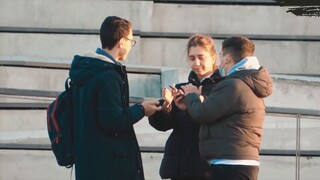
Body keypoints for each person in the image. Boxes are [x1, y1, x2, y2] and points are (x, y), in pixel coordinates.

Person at [69, 16, 161, 180]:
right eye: (131, 41)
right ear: (122, 41)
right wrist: (141, 109)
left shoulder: (86, 69)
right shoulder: (108, 75)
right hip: (108, 165)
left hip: (88, 162)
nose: (131, 46)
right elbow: (113, 121)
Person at [178, 36, 273, 180]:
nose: (220, 62)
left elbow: (203, 113)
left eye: (221, 56)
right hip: (244, 161)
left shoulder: (233, 84)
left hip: (230, 163)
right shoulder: (250, 82)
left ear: (227, 58)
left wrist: (192, 96)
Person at [148, 34, 222, 180]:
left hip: (206, 167)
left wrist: (196, 101)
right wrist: (167, 106)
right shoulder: (181, 88)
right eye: (192, 58)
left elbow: (215, 118)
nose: (196, 63)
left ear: (213, 58)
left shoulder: (222, 87)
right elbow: (161, 125)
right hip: (179, 166)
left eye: (201, 57)